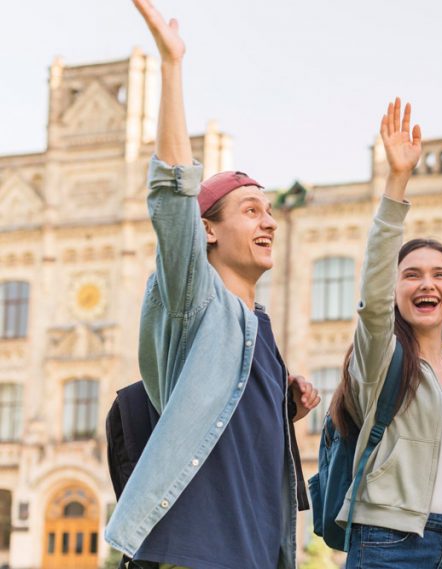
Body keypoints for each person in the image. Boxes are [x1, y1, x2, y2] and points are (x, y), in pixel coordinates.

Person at [104, 1, 321, 567]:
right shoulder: (193, 302)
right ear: (207, 232)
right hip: (194, 556)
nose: (269, 221)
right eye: (251, 210)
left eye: (270, 211)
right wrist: (172, 66)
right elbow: (173, 193)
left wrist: (279, 408)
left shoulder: (260, 331)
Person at [330, 99, 442, 569]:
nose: (427, 284)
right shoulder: (382, 356)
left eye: (440, 275)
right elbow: (372, 299)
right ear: (396, 290)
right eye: (412, 274)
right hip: (389, 542)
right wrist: (397, 181)